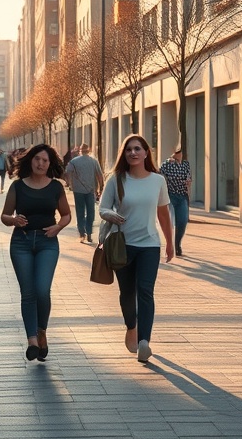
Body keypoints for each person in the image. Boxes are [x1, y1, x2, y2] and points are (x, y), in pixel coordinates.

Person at [99, 134, 173, 364]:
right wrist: (110, 214)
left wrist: (170, 243)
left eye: (137, 148)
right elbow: (102, 208)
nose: (133, 152)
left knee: (146, 292)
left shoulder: (158, 181)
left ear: (146, 152)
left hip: (149, 244)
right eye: (129, 149)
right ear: (125, 153)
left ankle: (144, 342)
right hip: (122, 246)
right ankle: (131, 326)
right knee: (127, 293)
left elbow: (163, 213)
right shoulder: (116, 179)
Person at [0, 144, 71, 362]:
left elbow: (67, 215)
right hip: (20, 243)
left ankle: (41, 331)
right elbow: (4, 215)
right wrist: (13, 220)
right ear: (30, 160)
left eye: (45, 160)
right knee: (28, 292)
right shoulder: (17, 186)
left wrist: (58, 227)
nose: (41, 163)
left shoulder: (56, 187)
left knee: (41, 289)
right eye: (37, 159)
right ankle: (32, 340)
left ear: (50, 164)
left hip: (47, 243)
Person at [64, 143, 104, 244]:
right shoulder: (94, 161)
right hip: (90, 190)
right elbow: (99, 175)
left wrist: (69, 183)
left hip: (78, 190)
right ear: (89, 150)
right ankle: (89, 233)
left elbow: (67, 172)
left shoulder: (74, 161)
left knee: (80, 212)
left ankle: (82, 233)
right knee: (90, 212)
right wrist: (101, 187)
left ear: (80, 151)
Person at [159, 147, 193, 256]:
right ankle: (170, 243)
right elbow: (158, 175)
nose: (177, 154)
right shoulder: (166, 165)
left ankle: (177, 243)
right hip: (170, 196)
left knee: (182, 221)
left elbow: (189, 177)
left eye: (179, 152)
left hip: (182, 196)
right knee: (170, 221)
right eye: (176, 152)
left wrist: (188, 181)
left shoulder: (185, 164)